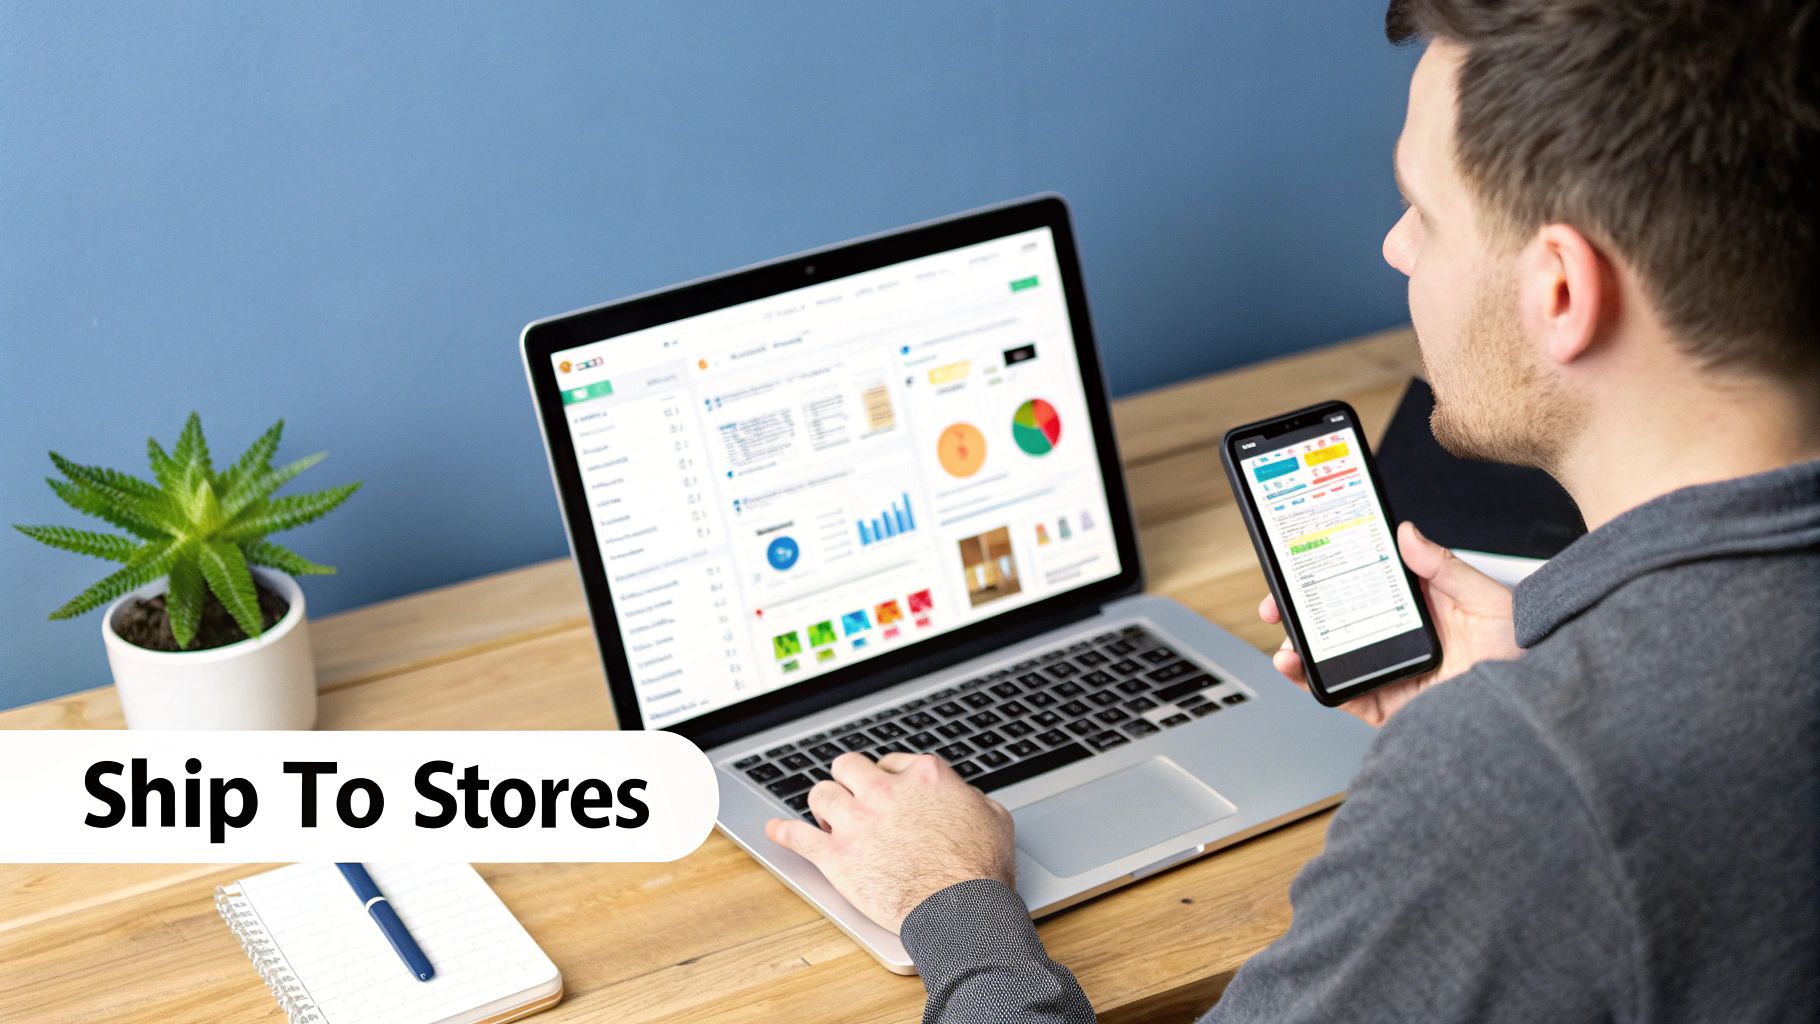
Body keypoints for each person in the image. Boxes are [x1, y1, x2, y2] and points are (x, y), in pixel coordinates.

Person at [765, 0, 1820, 1019]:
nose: (1395, 249)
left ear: (1558, 292)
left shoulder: (1522, 783)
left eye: (1424, 211)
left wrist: (950, 902)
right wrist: (1552, 672)